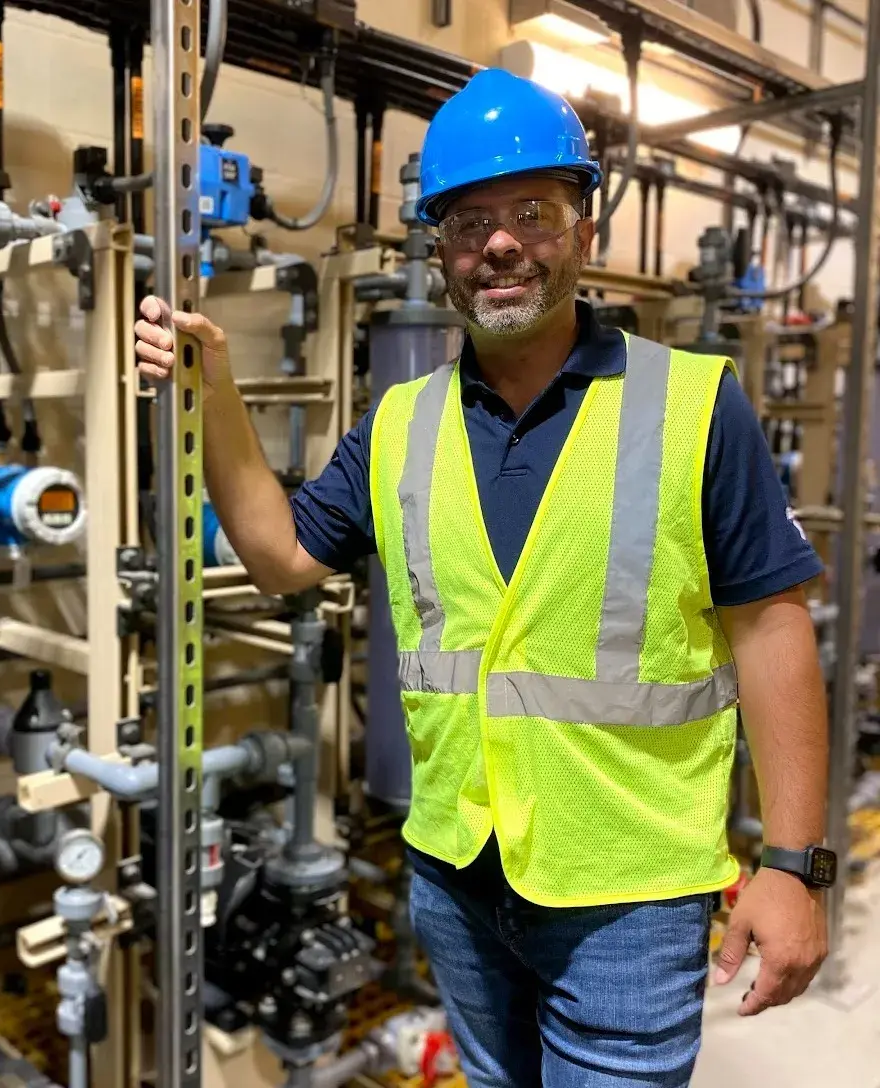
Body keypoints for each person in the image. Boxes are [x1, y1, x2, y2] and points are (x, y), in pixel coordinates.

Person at [135, 69, 832, 1088]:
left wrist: (791, 860)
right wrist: (216, 397)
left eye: (530, 213)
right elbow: (281, 555)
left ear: (581, 229)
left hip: (628, 893)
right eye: (468, 222)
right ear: (442, 254)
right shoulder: (398, 424)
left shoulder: (691, 405)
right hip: (456, 876)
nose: (498, 242)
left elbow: (770, 627)